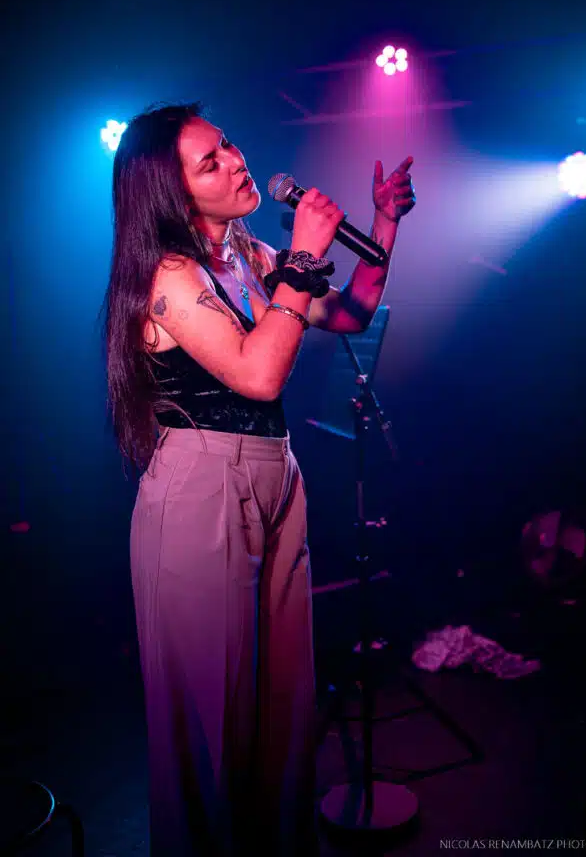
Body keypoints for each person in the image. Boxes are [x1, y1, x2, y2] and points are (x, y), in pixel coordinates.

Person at [103, 103, 415, 856]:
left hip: (275, 475)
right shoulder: (166, 273)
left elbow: (353, 311)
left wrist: (382, 222)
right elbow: (259, 374)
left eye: (229, 145)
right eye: (210, 162)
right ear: (171, 192)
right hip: (201, 485)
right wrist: (302, 257)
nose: (237, 162)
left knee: (282, 701)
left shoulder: (247, 253)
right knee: (214, 718)